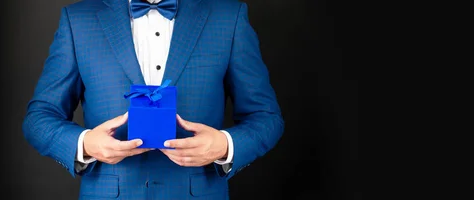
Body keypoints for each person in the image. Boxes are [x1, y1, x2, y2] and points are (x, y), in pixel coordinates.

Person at [21, 0, 284, 199]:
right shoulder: (77, 20)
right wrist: (85, 144)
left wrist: (226, 146)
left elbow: (266, 118)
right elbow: (39, 118)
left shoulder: (229, 17)